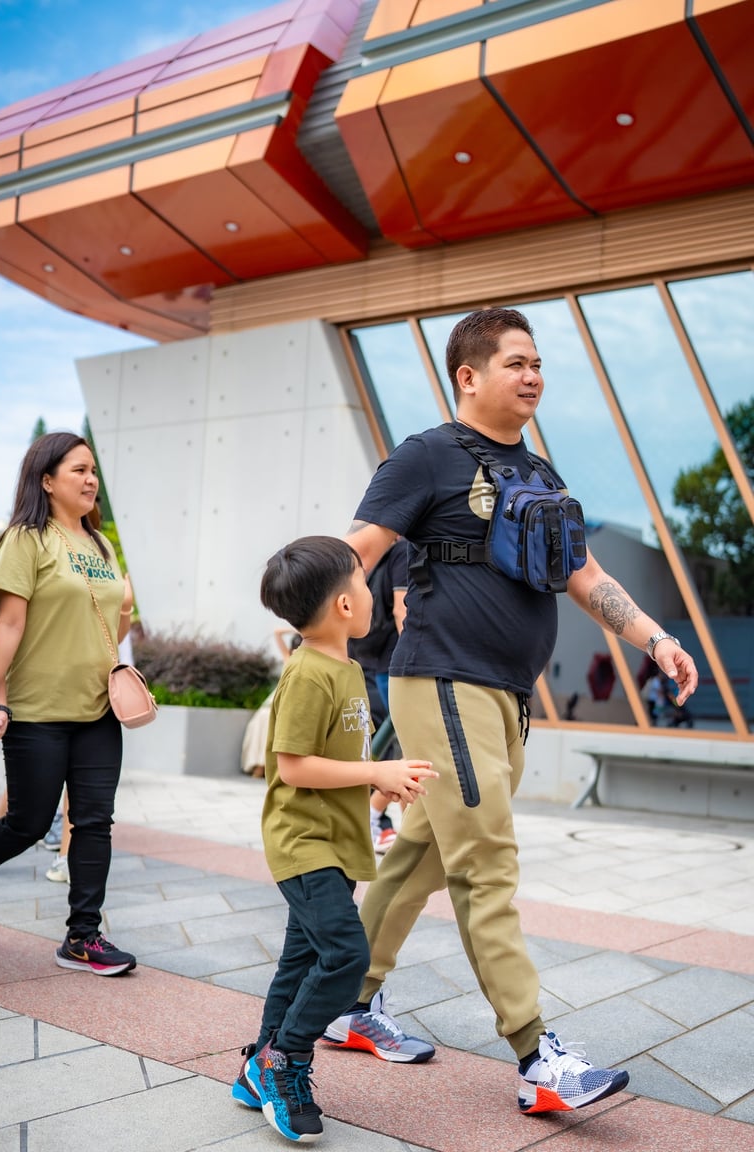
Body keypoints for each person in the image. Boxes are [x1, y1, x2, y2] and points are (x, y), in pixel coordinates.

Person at [322, 306, 699, 1114]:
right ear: (469, 375)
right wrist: (317, 647)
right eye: (516, 363)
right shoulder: (426, 456)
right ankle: (537, 1056)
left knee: (423, 853)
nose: (533, 377)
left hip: (506, 696)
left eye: (538, 364)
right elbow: (355, 552)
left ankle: (347, 1001)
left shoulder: (540, 472)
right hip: (444, 683)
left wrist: (656, 638)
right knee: (486, 861)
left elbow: (585, 576)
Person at [231, 535, 436, 1143]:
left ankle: (255, 1068)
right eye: (363, 582)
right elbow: (293, 767)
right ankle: (286, 1059)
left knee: (300, 961)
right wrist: (377, 772)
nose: (370, 593)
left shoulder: (347, 668)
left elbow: (341, 754)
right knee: (347, 956)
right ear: (345, 604)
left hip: (336, 841)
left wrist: (383, 780)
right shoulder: (308, 673)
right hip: (303, 843)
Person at [0, 431, 137, 976]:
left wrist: (124, 611)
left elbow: (112, 628)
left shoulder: (101, 545)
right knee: (27, 822)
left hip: (98, 711)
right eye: (79, 470)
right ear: (46, 480)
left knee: (94, 822)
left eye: (93, 470)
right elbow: (9, 623)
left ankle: (83, 936)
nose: (91, 480)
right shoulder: (25, 539)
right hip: (39, 709)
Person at [348, 537, 409, 853]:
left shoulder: (374, 556)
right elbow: (402, 609)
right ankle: (372, 816)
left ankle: (392, 825)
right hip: (394, 666)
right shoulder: (403, 551)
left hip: (370, 663)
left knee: (397, 746)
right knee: (411, 749)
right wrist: (413, 663)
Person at [240, 627, 300, 778]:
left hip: (282, 703)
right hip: (275, 703)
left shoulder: (295, 660)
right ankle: (261, 767)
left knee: (267, 730)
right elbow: (277, 632)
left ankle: (263, 767)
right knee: (261, 728)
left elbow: (277, 633)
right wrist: (297, 629)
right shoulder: (290, 659)